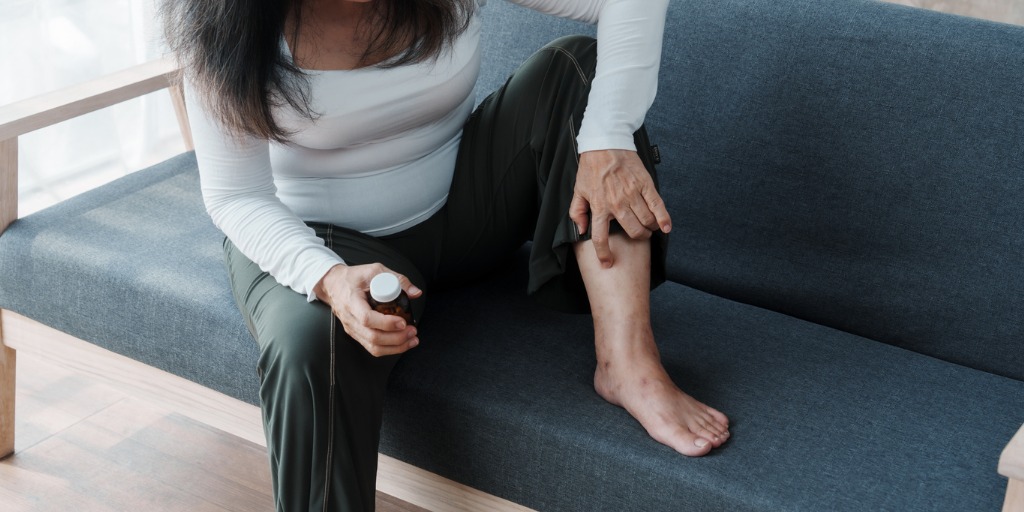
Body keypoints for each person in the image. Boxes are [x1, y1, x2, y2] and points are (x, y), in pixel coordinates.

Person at [162, 0, 730, 509]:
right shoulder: (220, 18)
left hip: (467, 210)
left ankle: (629, 366)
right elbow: (237, 196)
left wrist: (608, 133)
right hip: (326, 243)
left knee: (574, 70)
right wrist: (329, 278)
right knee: (312, 345)